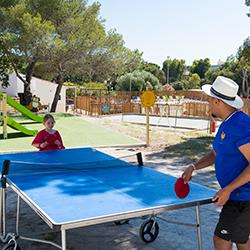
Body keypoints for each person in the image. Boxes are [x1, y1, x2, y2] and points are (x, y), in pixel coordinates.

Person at [182, 76, 250, 250]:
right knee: (241, 241)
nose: (208, 104)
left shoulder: (240, 124)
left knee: (221, 240)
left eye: (209, 100)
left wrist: (227, 190)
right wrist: (193, 166)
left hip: (242, 197)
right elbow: (215, 153)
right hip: (236, 196)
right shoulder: (227, 123)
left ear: (216, 101)